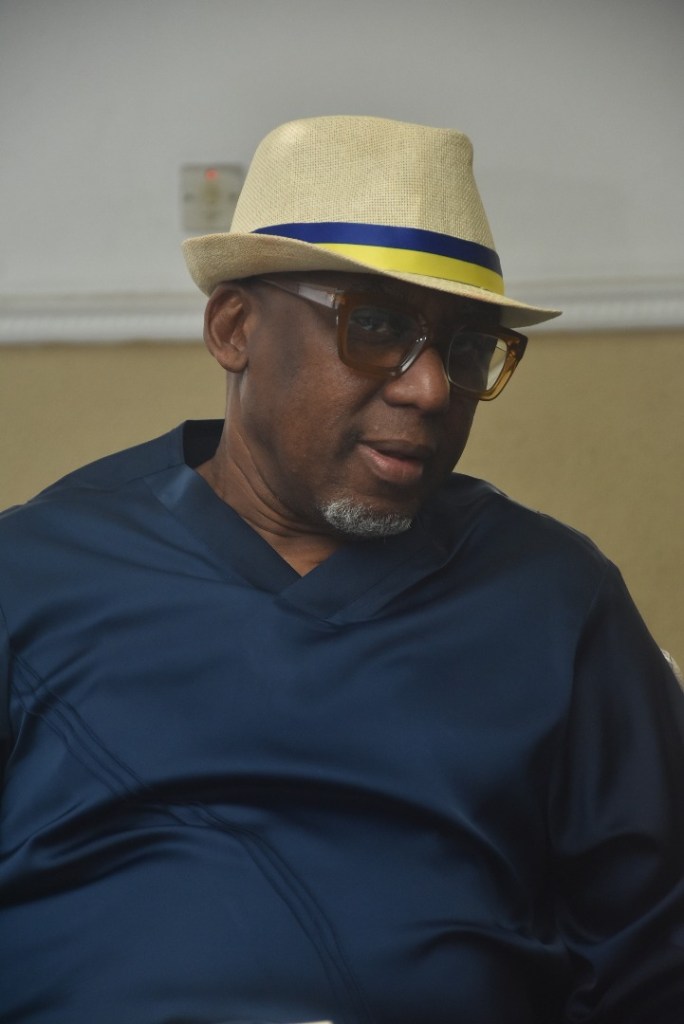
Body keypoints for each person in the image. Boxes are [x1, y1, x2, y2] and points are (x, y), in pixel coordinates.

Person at [1, 115, 683, 1024]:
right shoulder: (33, 574)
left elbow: (653, 953)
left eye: (467, 348)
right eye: (378, 326)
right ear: (234, 328)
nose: (430, 388)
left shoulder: (556, 599)